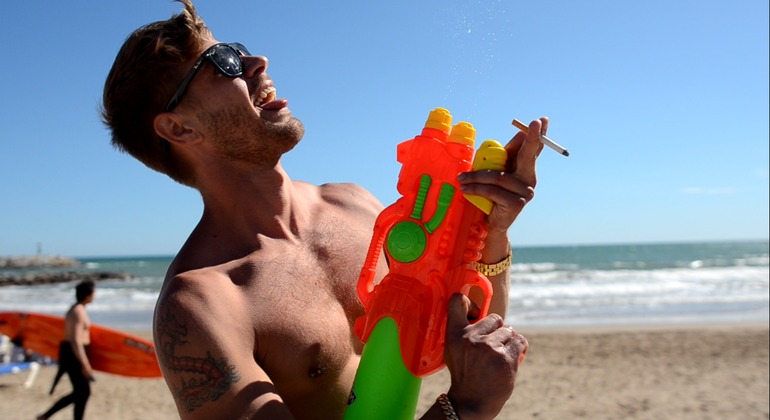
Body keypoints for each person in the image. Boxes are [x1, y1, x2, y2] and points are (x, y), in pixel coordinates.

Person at [102, 1, 545, 418]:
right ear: (179, 127)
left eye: (239, 49)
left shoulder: (355, 205)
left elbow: (469, 329)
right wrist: (466, 407)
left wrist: (492, 231)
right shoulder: (202, 305)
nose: (257, 62)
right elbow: (475, 387)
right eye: (224, 61)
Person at [37, 280, 95, 420]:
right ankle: (46, 415)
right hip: (74, 354)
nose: (94, 296)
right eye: (93, 293)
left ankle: (46, 415)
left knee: (81, 392)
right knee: (83, 392)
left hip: (73, 353)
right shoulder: (77, 312)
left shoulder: (77, 309)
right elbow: (75, 340)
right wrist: (85, 364)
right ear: (88, 295)